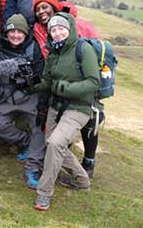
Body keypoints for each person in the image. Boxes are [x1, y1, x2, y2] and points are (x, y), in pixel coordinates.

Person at [30, 13, 99, 211]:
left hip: (79, 107)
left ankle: (44, 194)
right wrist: (29, 85)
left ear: (69, 29)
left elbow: (94, 82)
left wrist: (67, 89)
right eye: (53, 30)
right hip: (57, 105)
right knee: (53, 143)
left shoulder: (83, 49)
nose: (57, 33)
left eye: (61, 28)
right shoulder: (53, 53)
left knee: (55, 143)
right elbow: (48, 82)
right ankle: (81, 179)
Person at [0, 14, 46, 189]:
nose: (15, 35)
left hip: (30, 96)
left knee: (39, 128)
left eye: (19, 32)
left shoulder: (34, 48)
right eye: (12, 31)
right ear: (6, 32)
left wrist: (28, 81)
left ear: (25, 33)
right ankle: (25, 142)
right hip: (6, 96)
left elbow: (42, 76)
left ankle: (33, 167)